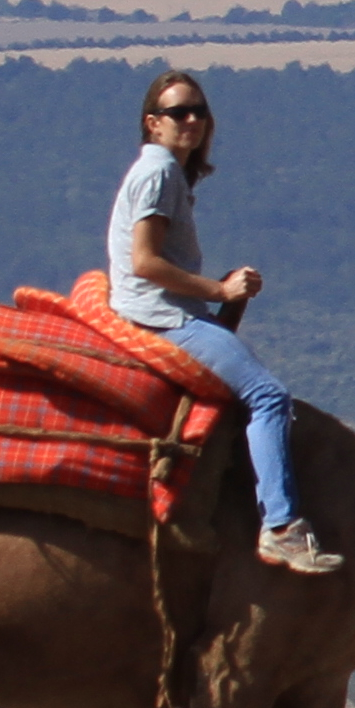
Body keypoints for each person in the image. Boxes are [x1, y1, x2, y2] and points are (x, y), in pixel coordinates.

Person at [103, 70, 335, 574]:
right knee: (268, 395)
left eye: (199, 112)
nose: (191, 121)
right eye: (177, 113)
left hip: (161, 308)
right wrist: (218, 291)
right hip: (162, 317)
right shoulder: (159, 173)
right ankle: (281, 527)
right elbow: (144, 261)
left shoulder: (168, 172)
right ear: (153, 123)